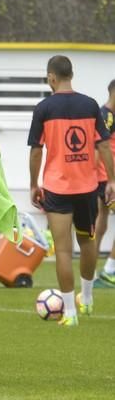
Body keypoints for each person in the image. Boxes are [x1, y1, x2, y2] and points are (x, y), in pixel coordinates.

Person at [28, 57, 115, 326]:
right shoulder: (90, 105)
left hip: (57, 188)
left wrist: (33, 184)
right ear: (72, 75)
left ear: (51, 77)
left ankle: (70, 313)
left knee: (64, 251)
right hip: (88, 186)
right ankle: (86, 299)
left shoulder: (43, 107)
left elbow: (36, 150)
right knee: (87, 242)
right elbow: (102, 146)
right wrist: (111, 180)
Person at [95, 79, 115, 285]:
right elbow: (99, 148)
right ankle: (109, 270)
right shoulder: (107, 116)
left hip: (106, 178)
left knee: (102, 219)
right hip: (108, 179)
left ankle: (92, 271)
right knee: (101, 219)